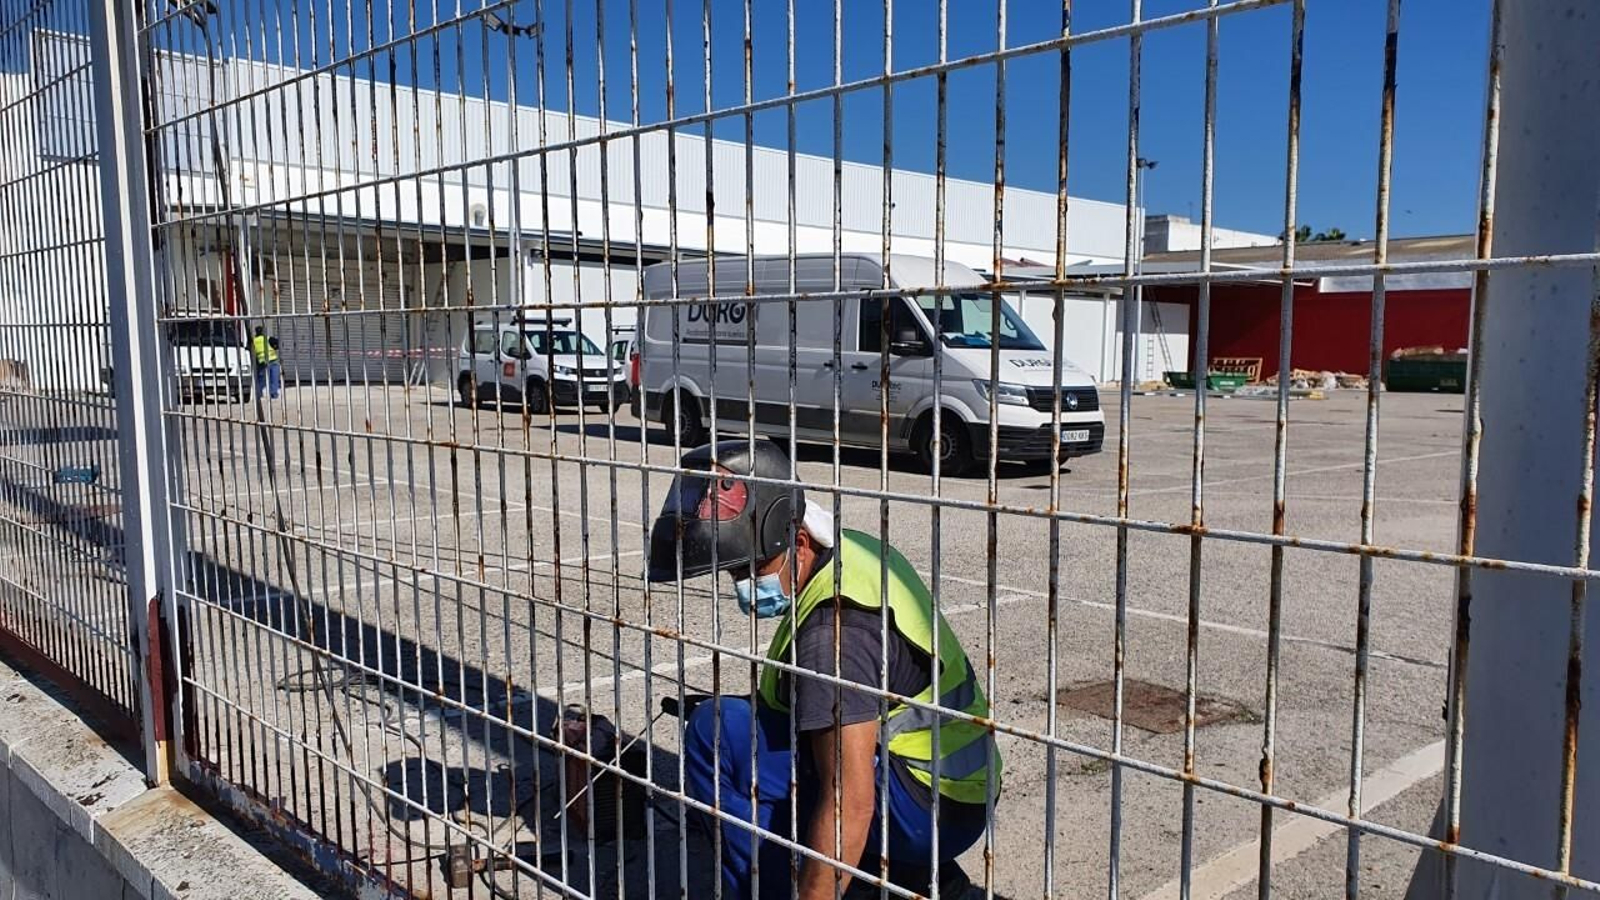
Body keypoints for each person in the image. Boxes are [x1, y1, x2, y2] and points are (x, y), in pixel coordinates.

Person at [648, 441, 1000, 900]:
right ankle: (903, 877)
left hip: (927, 811)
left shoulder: (833, 637)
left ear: (796, 541)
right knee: (735, 723)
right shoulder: (847, 551)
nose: (744, 583)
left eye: (752, 567)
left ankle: (774, 885)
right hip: (957, 788)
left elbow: (848, 800)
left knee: (713, 736)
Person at [251, 325, 281, 400]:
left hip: (262, 363)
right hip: (273, 361)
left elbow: (249, 350)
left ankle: (258, 394)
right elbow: (277, 345)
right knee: (274, 379)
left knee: (261, 379)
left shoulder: (253, 340)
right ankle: (273, 394)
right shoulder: (268, 338)